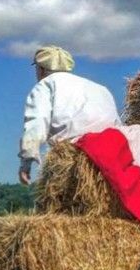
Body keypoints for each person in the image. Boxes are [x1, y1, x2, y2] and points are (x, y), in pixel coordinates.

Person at [19, 45, 120, 185]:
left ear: (41, 69)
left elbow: (36, 124)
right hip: (111, 153)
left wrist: (26, 162)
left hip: (74, 154)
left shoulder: (45, 85)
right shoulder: (100, 88)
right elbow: (117, 123)